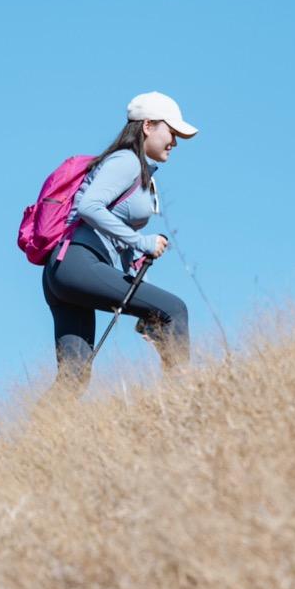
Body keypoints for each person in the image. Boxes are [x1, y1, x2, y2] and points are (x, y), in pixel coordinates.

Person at [41, 91, 197, 393]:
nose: (175, 142)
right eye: (172, 131)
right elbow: (89, 206)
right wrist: (143, 241)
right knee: (175, 310)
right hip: (78, 261)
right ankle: (185, 399)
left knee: (74, 378)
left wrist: (144, 296)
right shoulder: (126, 161)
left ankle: (31, 440)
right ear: (148, 126)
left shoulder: (136, 169)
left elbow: (119, 242)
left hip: (63, 270)